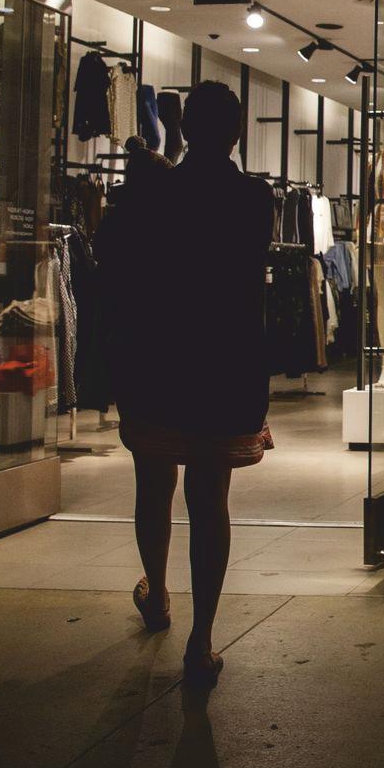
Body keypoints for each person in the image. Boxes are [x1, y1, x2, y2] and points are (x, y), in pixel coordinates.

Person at [99, 81, 275, 687]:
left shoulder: (154, 193)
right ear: (236, 135)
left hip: (159, 359)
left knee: (154, 485)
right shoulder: (254, 199)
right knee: (210, 498)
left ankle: (157, 592)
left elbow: (122, 267)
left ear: (183, 129)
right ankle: (201, 641)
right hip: (225, 363)